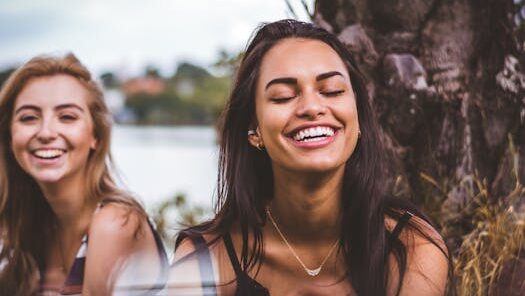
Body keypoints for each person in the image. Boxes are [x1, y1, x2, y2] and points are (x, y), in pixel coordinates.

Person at [169, 19, 451, 295]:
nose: (312, 107)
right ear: (254, 130)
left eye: (332, 91)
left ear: (359, 118)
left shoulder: (410, 247)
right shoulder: (204, 260)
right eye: (282, 96)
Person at [0, 53, 168, 295]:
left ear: (96, 137)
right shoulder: (24, 227)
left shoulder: (115, 223)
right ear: (9, 136)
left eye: (67, 117)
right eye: (29, 118)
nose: (46, 132)